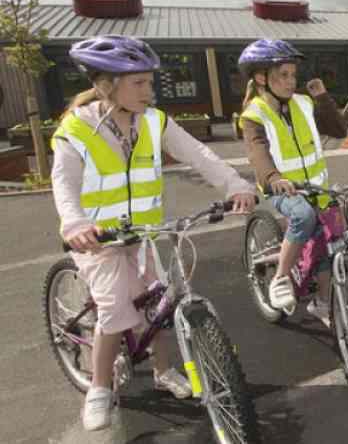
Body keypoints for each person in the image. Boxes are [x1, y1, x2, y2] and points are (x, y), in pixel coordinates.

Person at [51, 35, 258, 431]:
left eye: (150, 81)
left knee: (158, 304)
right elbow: (64, 182)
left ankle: (164, 372)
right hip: (99, 242)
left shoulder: (154, 121)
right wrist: (76, 224)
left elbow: (199, 154)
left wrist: (234, 184)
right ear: (106, 85)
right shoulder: (76, 129)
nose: (150, 90)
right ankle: (99, 388)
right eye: (139, 83)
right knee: (114, 310)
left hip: (143, 234)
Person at [238, 38, 348, 320]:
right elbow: (257, 153)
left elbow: (338, 130)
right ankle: (281, 277)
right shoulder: (254, 114)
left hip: (316, 187)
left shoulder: (303, 103)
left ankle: (323, 301)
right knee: (303, 216)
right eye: (283, 75)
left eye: (293, 75)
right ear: (261, 77)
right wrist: (273, 177)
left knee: (331, 236)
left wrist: (322, 97)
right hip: (282, 189)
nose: (291, 82)